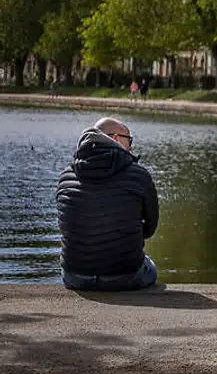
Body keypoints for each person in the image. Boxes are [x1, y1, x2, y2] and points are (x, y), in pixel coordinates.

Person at [56, 118, 160, 291]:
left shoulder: (66, 176)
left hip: (75, 277)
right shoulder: (139, 175)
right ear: (117, 138)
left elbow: (66, 225)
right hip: (126, 276)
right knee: (150, 266)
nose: (131, 147)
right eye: (130, 140)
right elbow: (150, 228)